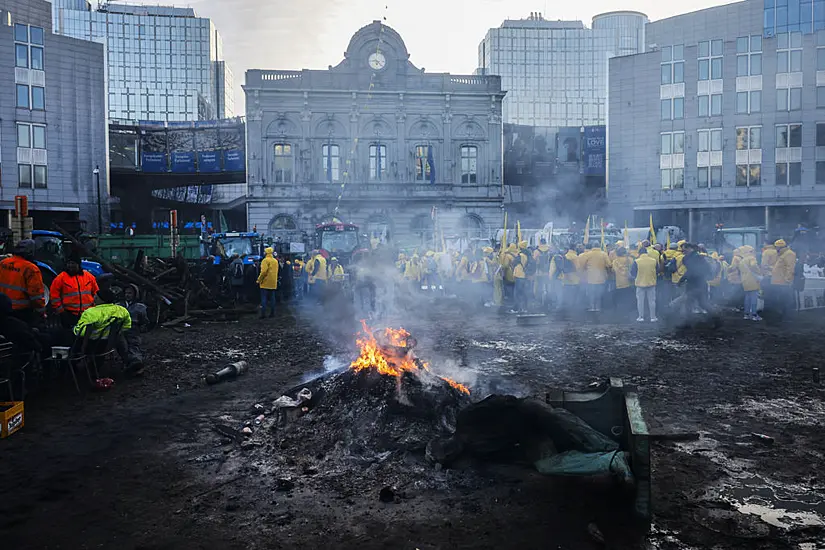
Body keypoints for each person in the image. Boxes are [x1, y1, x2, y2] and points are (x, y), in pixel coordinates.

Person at [0, 239, 46, 324]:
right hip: (21, 312)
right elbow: (36, 296)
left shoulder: (3, 263)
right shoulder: (31, 268)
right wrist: (41, 312)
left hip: (2, 308)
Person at [50, 253, 99, 328]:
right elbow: (54, 296)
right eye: (68, 263)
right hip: (69, 314)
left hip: (87, 314)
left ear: (78, 264)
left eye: (73, 263)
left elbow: (96, 293)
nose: (70, 266)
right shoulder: (60, 278)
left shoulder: (89, 277)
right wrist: (61, 311)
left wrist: (94, 309)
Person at [116, 284, 149, 374]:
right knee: (123, 346)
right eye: (126, 293)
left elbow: (144, 320)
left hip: (133, 328)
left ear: (135, 294)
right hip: (121, 328)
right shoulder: (119, 306)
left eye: (130, 293)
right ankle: (128, 363)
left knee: (134, 345)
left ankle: (137, 364)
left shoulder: (140, 307)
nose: (127, 295)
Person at [680, 243, 716, 318]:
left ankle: (716, 318)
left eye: (684, 249)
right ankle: (716, 319)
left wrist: (681, 280)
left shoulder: (693, 258)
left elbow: (691, 271)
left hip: (695, 284)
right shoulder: (696, 257)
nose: (683, 251)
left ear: (690, 248)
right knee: (701, 303)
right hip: (700, 283)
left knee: (694, 303)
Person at [770, 239, 797, 320]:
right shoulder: (783, 254)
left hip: (784, 282)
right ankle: (783, 316)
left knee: (786, 300)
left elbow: (790, 268)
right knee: (781, 300)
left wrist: (788, 279)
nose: (775, 249)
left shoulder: (789, 254)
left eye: (776, 247)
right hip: (779, 281)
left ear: (780, 247)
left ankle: (787, 317)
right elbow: (781, 267)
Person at [631, 245, 658, 322]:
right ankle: (653, 317)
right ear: (647, 252)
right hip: (651, 283)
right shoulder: (654, 260)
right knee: (652, 301)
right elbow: (657, 270)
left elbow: (633, 273)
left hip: (640, 283)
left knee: (640, 301)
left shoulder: (636, 261)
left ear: (639, 253)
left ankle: (641, 317)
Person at [581, 242, 610, 312]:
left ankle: (592, 307)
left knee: (591, 293)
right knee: (599, 293)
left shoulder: (588, 254)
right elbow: (609, 264)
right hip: (601, 277)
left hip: (590, 277)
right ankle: (598, 307)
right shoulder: (604, 254)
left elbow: (582, 265)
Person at [738, 246, 761, 321]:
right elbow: (753, 265)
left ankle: (746, 314)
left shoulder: (742, 260)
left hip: (745, 281)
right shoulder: (751, 258)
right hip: (752, 280)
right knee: (754, 298)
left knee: (747, 297)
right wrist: (759, 272)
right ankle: (754, 314)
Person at [256, 247, 279, 318]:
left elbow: (263, 272)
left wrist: (259, 280)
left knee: (264, 298)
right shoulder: (275, 261)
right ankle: (272, 313)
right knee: (272, 298)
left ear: (266, 253)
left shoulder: (265, 260)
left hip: (265, 282)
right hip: (273, 282)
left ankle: (263, 314)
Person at [612, 246, 633, 317]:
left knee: (619, 298)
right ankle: (628, 311)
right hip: (629, 282)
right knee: (628, 297)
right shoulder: (630, 259)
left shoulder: (615, 261)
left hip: (619, 282)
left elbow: (614, 270)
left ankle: (619, 313)